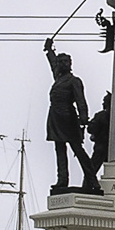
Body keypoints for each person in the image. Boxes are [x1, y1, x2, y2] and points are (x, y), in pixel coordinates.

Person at [44, 38, 100, 193]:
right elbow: (53, 65)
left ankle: (92, 180)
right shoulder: (59, 78)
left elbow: (81, 101)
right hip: (55, 118)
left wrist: (83, 118)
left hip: (68, 119)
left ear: (70, 64)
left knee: (78, 150)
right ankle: (62, 179)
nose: (62, 64)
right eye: (61, 62)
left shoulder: (74, 81)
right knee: (59, 150)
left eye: (65, 62)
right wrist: (49, 50)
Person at [87, 92, 111, 175]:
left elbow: (92, 129)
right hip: (113, 147)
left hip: (101, 147)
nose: (103, 103)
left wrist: (89, 124)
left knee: (92, 169)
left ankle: (87, 185)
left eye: (104, 101)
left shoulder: (100, 115)